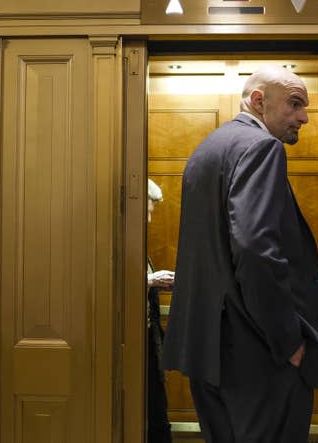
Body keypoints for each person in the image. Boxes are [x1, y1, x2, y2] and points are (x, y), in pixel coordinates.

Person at [162, 66, 318, 443]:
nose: (304, 116)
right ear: (258, 101)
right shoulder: (261, 147)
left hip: (207, 354)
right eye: (295, 104)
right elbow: (256, 251)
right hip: (258, 359)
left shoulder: (206, 150)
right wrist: (289, 343)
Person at [146, 178, 175, 443]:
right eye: (147, 211)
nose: (149, 220)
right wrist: (149, 281)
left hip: (148, 342)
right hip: (131, 344)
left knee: (157, 412)